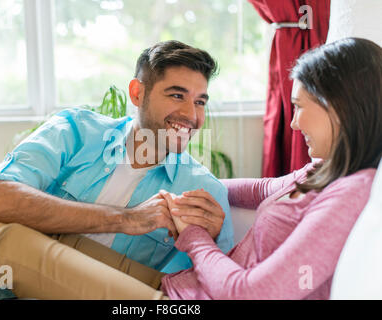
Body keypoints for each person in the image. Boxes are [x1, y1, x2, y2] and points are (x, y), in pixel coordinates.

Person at [0, 40, 234, 299]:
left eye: (200, 101)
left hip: (71, 285)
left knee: (7, 242)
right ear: (137, 93)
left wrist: (206, 241)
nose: (191, 115)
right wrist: (128, 220)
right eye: (177, 95)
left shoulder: (205, 193)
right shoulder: (76, 131)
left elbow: (201, 290)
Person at [160, 37, 382, 299]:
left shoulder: (352, 194)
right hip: (185, 288)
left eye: (298, 107)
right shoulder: (324, 169)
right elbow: (261, 189)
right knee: (97, 264)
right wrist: (187, 186)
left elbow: (253, 294)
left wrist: (193, 235)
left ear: (339, 107)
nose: (294, 124)